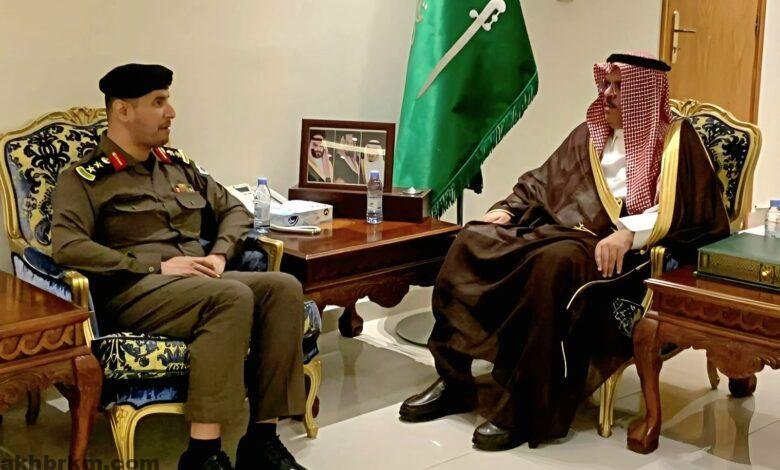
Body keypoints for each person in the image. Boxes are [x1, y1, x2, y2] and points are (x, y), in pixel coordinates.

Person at [399, 53, 730, 451]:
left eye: (619, 87)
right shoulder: (590, 133)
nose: (607, 94)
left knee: (552, 264)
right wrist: (508, 209)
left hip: (622, 256)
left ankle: (527, 405)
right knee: (471, 238)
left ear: (644, 93)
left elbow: (687, 210)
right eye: (606, 84)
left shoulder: (677, 142)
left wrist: (629, 233)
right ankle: (454, 380)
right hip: (562, 233)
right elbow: (544, 180)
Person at [52, 64, 308, 470]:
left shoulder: (178, 165)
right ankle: (203, 454)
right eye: (158, 102)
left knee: (283, 288)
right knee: (231, 296)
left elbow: (235, 211)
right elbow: (68, 246)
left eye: (168, 101)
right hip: (134, 291)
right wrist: (156, 266)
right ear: (122, 111)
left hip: (199, 281)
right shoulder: (84, 178)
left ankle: (262, 441)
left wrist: (219, 254)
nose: (170, 113)